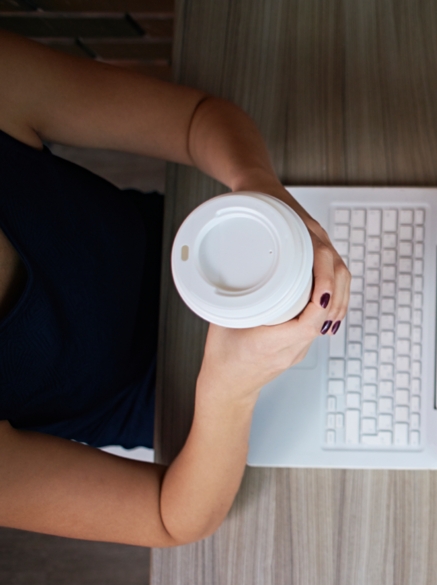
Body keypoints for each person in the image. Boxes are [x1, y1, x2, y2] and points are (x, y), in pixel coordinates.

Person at [0, 30, 351, 547]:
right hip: (201, 417)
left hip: (220, 247)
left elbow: (198, 119)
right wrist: (229, 390)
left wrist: (259, 189)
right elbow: (170, 517)